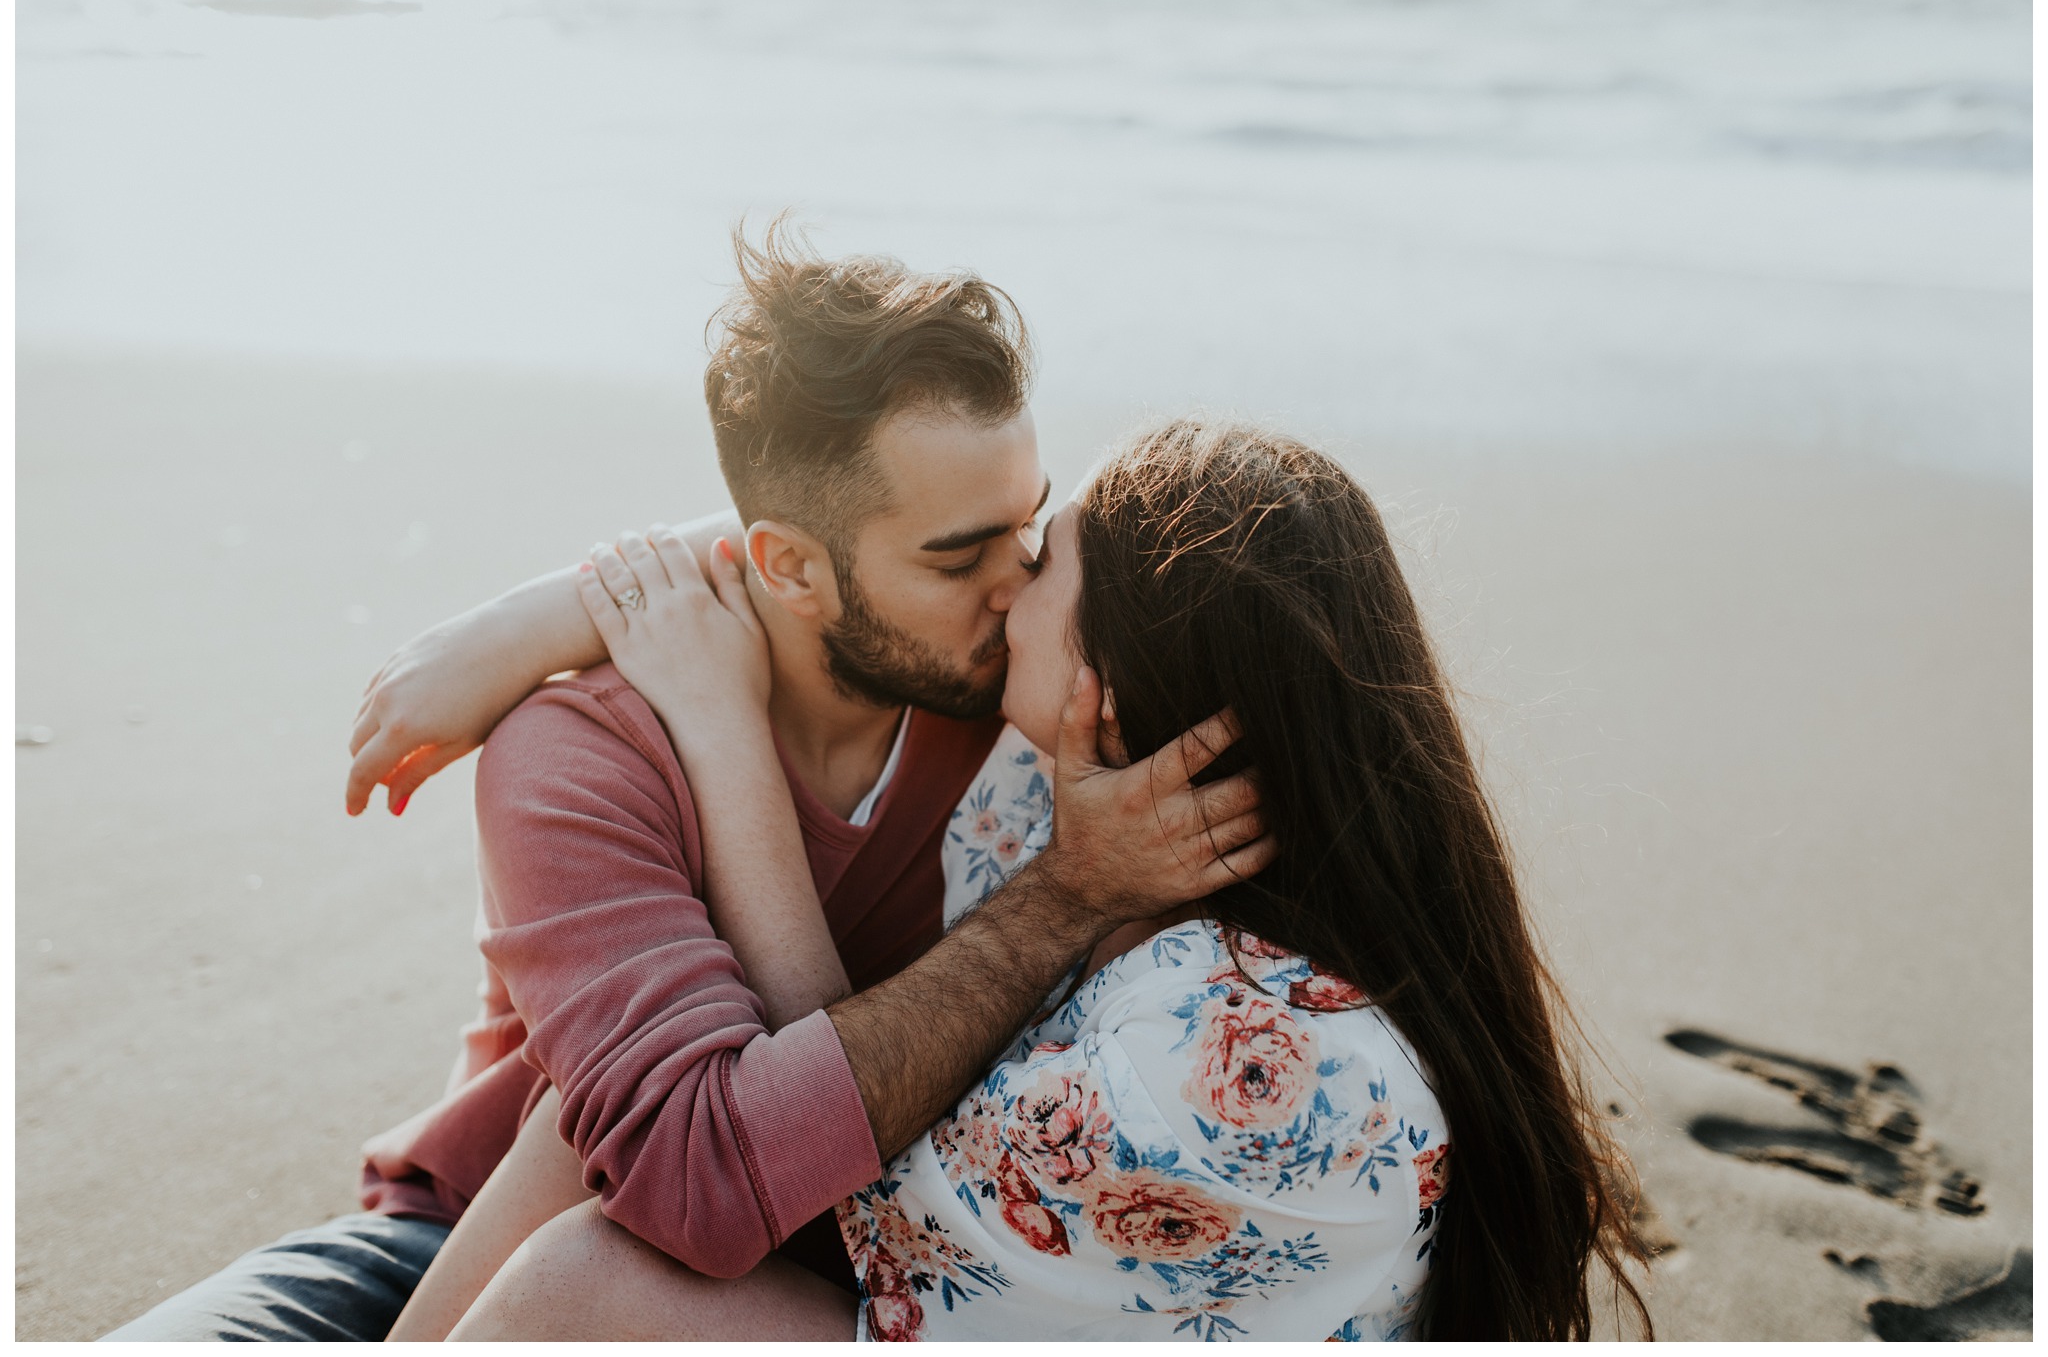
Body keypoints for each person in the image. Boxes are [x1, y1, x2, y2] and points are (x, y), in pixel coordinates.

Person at [102, 224, 1266, 1342]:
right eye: (958, 557)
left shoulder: (1023, 689)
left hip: (849, 1273)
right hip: (471, 1235)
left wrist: (539, 606)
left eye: (1025, 523)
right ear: (787, 566)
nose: (1018, 582)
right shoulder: (578, 751)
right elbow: (694, 1175)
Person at [429, 420, 1656, 1340]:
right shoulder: (1119, 823)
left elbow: (795, 1171)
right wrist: (532, 617)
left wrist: (718, 722)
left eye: (1040, 564)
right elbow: (862, 509)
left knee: (581, 1265)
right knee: (603, 1137)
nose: (1006, 584)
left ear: (1103, 694)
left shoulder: (1234, 1056)